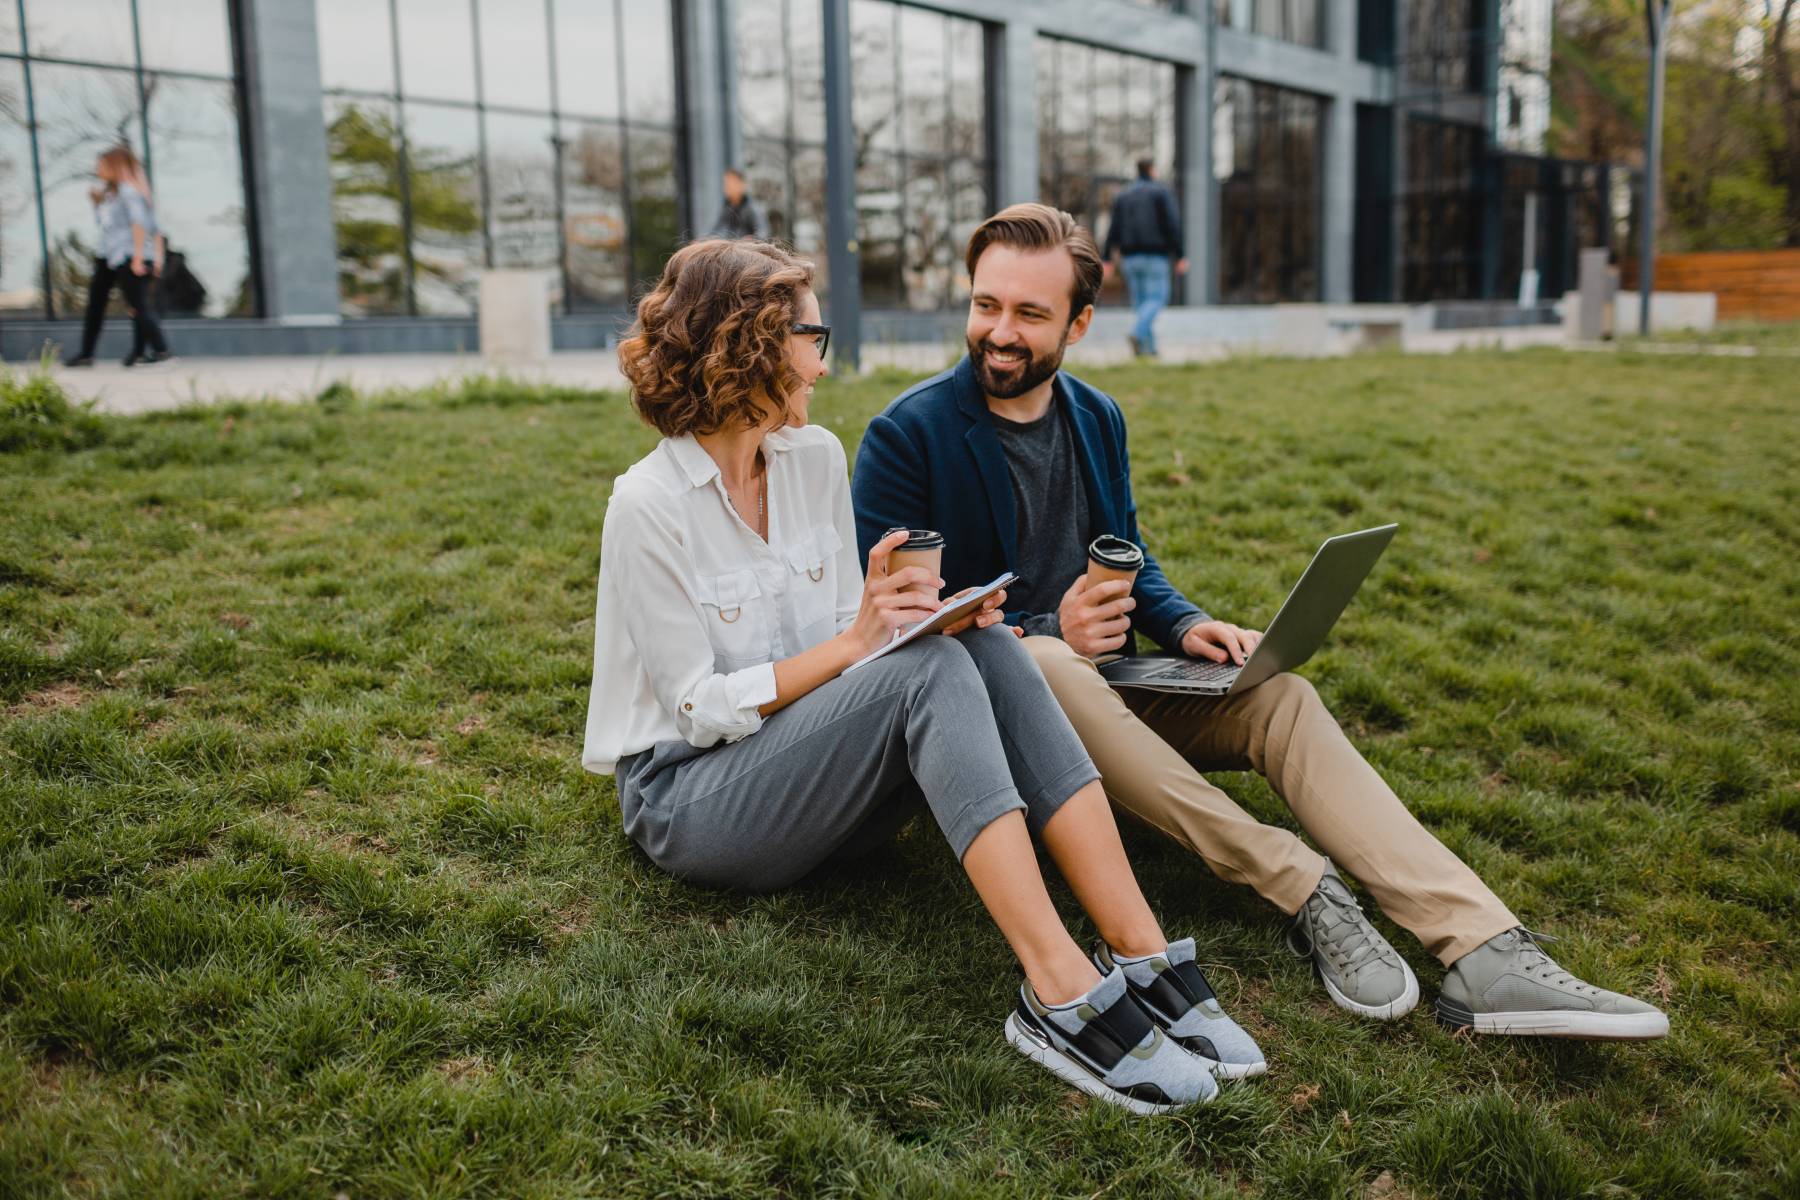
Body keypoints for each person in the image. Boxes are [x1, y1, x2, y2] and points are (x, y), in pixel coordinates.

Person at [851, 204, 1669, 1042]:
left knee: (1282, 699)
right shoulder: (903, 437)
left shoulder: (1096, 416)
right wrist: (1043, 628)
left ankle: (1485, 949)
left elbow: (1128, 553)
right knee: (1052, 665)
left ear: (1080, 323)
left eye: (1029, 314)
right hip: (1010, 719)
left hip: (1113, 690)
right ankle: (1302, 885)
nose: (999, 332)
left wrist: (1185, 624)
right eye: (987, 305)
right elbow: (903, 637)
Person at [581, 237, 1268, 1113]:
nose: (820, 364)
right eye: (810, 335)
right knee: (924, 673)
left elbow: (841, 631)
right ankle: (1058, 990)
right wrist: (864, 642)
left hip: (809, 775)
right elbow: (701, 709)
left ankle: (1138, 945)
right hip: (690, 796)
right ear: (749, 344)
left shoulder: (815, 459)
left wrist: (907, 618)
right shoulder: (646, 506)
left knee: (980, 643)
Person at [62, 146, 175, 369]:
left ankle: (162, 352)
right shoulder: (112, 194)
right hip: (109, 255)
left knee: (138, 305)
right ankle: (95, 354)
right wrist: (96, 205)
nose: (98, 170)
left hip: (128, 254)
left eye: (101, 165)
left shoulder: (129, 191)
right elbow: (108, 226)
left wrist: (139, 258)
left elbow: (141, 224)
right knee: (100, 303)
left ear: (114, 166)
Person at [1100, 158, 1184, 359]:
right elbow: (1172, 225)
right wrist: (1180, 254)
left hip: (1130, 259)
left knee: (1141, 305)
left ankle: (1148, 350)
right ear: (1152, 170)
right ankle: (1138, 334)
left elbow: (1114, 228)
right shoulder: (1160, 192)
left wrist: (1107, 258)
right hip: (1155, 257)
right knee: (1157, 299)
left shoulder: (1124, 195)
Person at [707, 167, 771, 241]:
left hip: (747, 249)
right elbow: (715, 228)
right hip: (731, 246)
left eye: (732, 183)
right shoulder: (727, 207)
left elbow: (763, 231)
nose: (728, 187)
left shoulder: (751, 208)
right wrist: (703, 240)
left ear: (741, 184)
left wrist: (754, 239)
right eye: (726, 184)